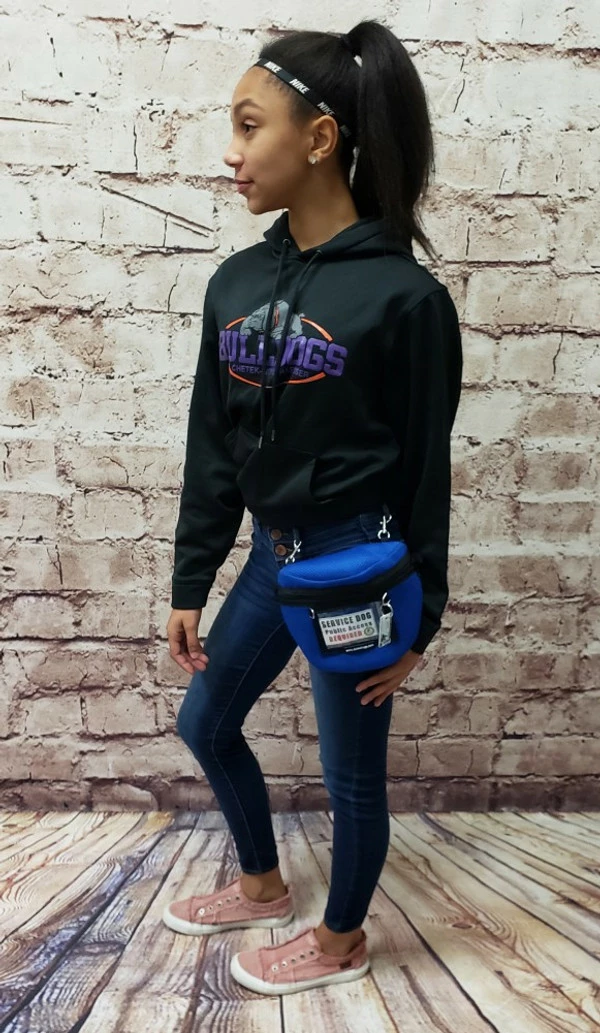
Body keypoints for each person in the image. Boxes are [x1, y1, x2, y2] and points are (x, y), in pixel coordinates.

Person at [162, 19, 463, 996]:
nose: (232, 151)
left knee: (351, 776)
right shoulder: (236, 283)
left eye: (250, 126)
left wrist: (423, 614)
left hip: (357, 566)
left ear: (321, 138)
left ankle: (341, 941)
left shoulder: (405, 300)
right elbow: (214, 445)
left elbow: (425, 470)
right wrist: (190, 577)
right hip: (272, 556)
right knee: (207, 721)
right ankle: (261, 883)